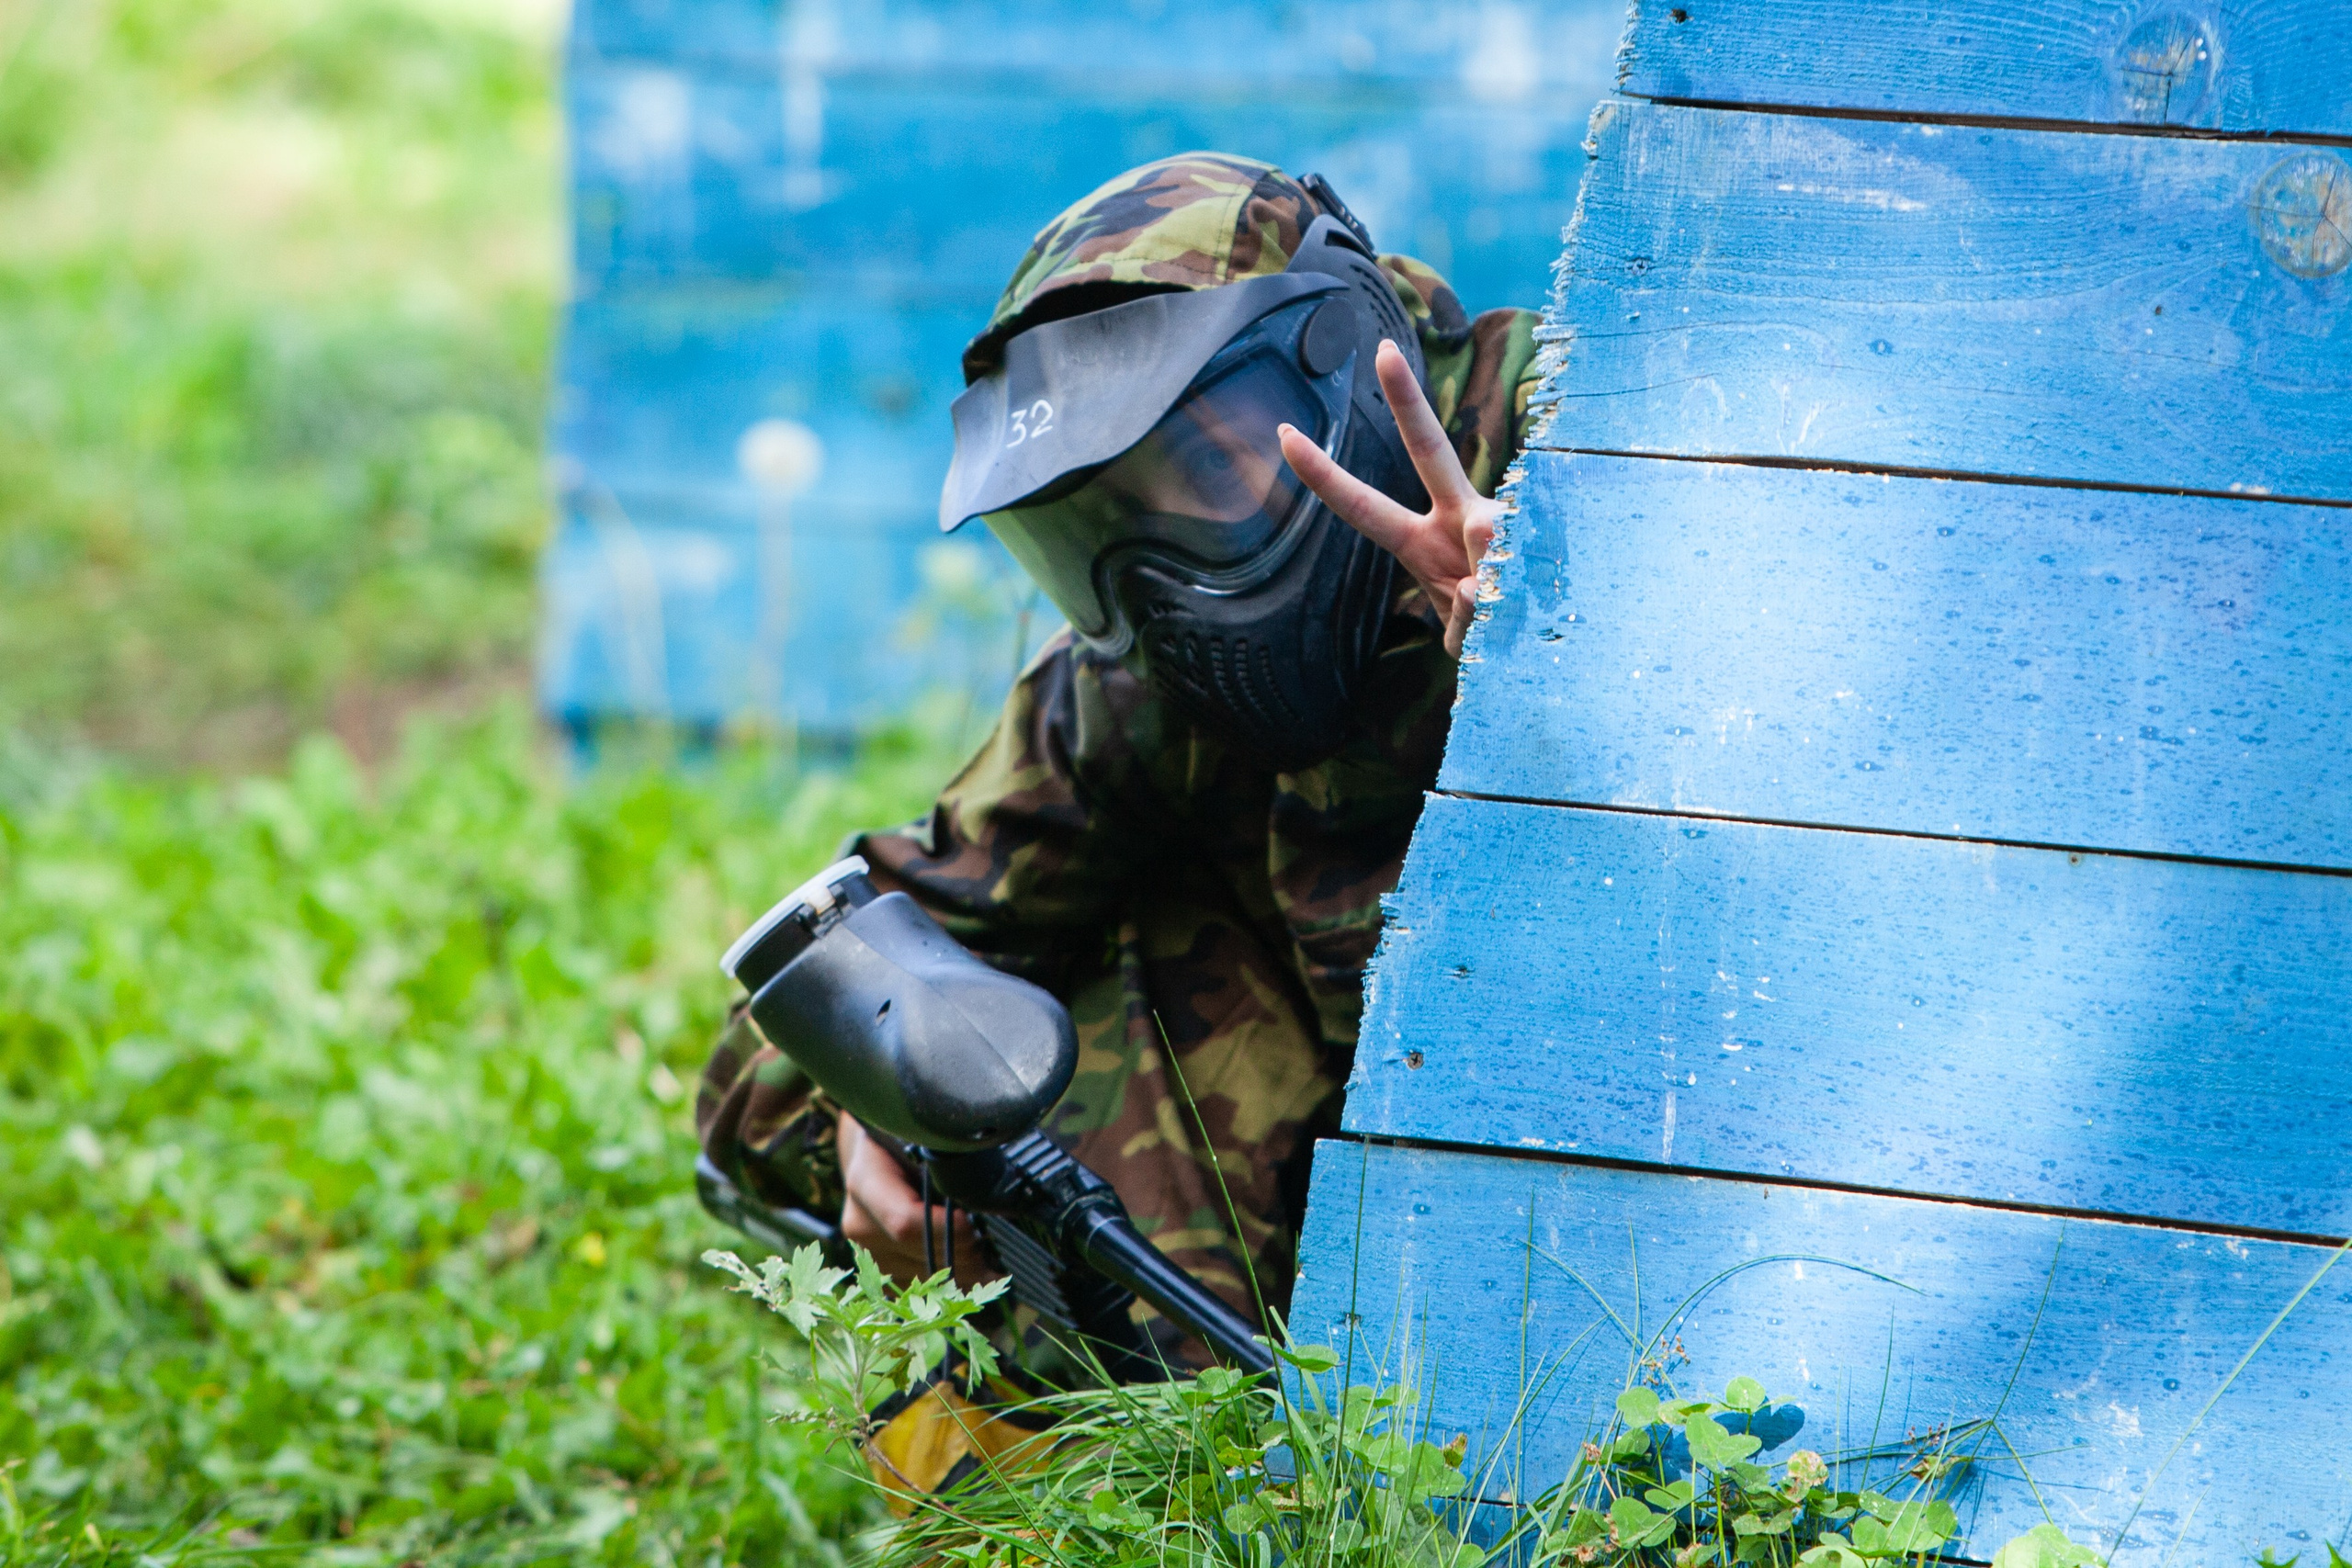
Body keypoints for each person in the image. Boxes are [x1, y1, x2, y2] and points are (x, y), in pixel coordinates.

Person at [695, 151, 1543, 1371]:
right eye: (1099, 522)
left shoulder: (1586, 456)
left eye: (1206, 469)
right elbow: (789, 1035)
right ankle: (1182, 1460)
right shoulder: (1145, 670)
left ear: (1340, 359)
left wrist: (1559, 641)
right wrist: (877, 1111)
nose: (1161, 571)